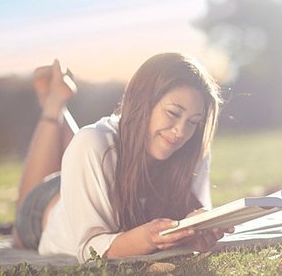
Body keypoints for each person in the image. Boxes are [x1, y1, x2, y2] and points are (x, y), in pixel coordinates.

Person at [13, 53, 231, 263]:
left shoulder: (192, 150)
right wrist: (148, 238)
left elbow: (189, 218)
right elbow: (91, 249)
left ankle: (58, 104)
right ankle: (53, 105)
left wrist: (198, 228)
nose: (181, 132)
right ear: (143, 102)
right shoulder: (92, 144)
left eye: (193, 122)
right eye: (173, 113)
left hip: (91, 173)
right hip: (44, 208)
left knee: (90, 144)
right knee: (89, 142)